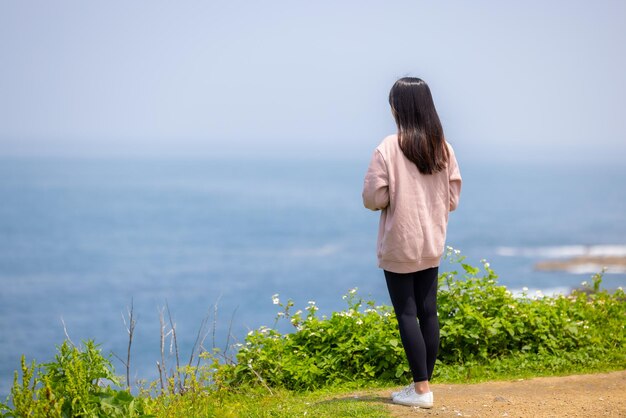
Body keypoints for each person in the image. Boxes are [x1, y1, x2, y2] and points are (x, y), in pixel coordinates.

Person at [362, 77, 462, 408]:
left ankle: (422, 390)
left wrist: (396, 195)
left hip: (400, 242)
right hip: (431, 240)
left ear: (398, 107)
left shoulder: (388, 148)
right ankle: (423, 384)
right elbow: (452, 198)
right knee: (428, 311)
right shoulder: (442, 147)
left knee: (406, 313)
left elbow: (373, 198)